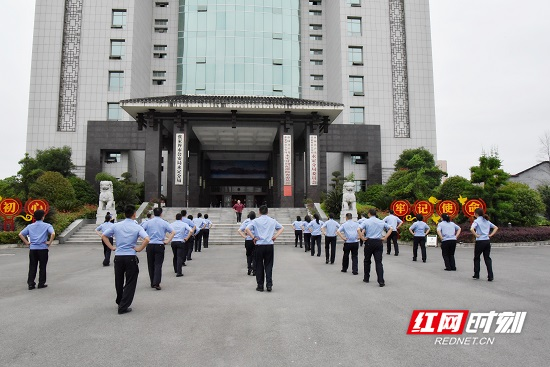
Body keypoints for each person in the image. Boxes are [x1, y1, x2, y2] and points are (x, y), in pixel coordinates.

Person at [101, 205, 150, 314]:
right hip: (130, 256)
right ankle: (123, 306)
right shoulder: (137, 227)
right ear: (134, 214)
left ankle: (120, 300)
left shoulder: (117, 225)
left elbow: (104, 236)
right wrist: (139, 249)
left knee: (118, 280)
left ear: (124, 214)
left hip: (118, 256)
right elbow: (147, 239)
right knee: (130, 281)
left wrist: (112, 247)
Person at [245, 205, 284, 292]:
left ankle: (260, 285)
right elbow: (282, 228)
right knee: (269, 265)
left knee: (259, 265)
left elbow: (247, 229)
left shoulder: (255, 221)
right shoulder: (272, 221)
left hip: (259, 245)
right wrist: (275, 237)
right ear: (267, 211)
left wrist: (253, 237)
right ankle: (269, 285)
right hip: (269, 245)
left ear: (259, 211)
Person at [19, 210, 55, 290]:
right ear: (43, 217)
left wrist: (27, 243)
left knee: (32, 266)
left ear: (34, 217)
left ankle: (31, 284)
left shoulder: (30, 226)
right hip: (42, 248)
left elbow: (20, 234)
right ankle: (41, 283)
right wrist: (49, 242)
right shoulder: (47, 225)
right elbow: (53, 233)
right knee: (42, 266)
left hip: (33, 249)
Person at [141, 207, 175, 290]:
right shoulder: (164, 223)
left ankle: (152, 282)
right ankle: (156, 282)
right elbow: (173, 232)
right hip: (159, 244)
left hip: (150, 244)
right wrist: (167, 241)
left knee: (150, 264)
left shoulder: (148, 222)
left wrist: (144, 239)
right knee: (158, 264)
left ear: (153, 213)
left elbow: (141, 230)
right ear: (161, 213)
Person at [359, 208, 392, 287]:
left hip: (369, 242)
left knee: (367, 260)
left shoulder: (366, 221)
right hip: (378, 242)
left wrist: (362, 238)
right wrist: (385, 237)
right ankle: (381, 281)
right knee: (378, 262)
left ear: (369, 214)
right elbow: (391, 228)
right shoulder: (381, 221)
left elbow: (358, 229)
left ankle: (366, 278)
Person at [470, 208, 498, 281]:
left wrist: (476, 235)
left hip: (480, 241)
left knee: (477, 257)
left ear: (476, 214)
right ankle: (490, 275)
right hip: (487, 241)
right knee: (487, 258)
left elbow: (471, 229)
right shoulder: (486, 220)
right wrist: (491, 235)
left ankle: (476, 274)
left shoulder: (476, 221)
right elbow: (496, 227)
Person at [238, 211, 257, 276]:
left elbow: (239, 230)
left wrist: (245, 236)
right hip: (255, 240)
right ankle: (254, 270)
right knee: (255, 255)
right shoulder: (257, 221)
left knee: (248, 255)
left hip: (248, 240)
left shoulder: (246, 221)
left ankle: (249, 268)